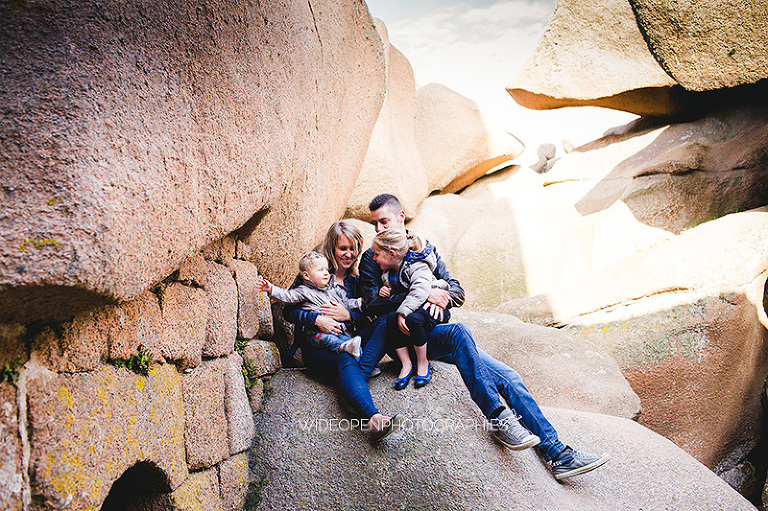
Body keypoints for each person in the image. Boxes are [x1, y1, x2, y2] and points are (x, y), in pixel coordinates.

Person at [358, 193, 610, 481]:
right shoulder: (372, 257)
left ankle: (559, 456)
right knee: (461, 332)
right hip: (404, 337)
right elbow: (371, 305)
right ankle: (499, 419)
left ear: (401, 217)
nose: (378, 229)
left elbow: (457, 291)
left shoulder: (424, 250)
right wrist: (420, 294)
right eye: (374, 224)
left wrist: (442, 295)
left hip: (435, 330)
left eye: (383, 221)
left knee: (510, 377)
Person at [281, 221, 402, 442]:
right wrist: (316, 319)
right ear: (332, 248)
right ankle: (373, 418)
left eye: (353, 248)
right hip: (319, 347)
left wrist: (349, 315)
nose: (348, 254)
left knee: (387, 321)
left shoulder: (358, 281)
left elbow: (367, 314)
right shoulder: (312, 273)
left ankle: (354, 387)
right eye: (342, 248)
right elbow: (288, 312)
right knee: (344, 357)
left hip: (350, 339)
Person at [371, 228, 450, 389]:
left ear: (392, 254)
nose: (374, 258)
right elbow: (400, 288)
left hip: (433, 308)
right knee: (391, 319)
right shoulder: (389, 271)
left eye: (377, 254)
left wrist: (403, 313)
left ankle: (423, 363)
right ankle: (406, 364)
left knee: (413, 319)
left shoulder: (417, 265)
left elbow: (420, 291)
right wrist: (385, 290)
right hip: (414, 306)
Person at [256, 251, 363, 358]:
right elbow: (287, 296)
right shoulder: (304, 291)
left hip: (337, 331)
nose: (326, 273)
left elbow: (346, 303)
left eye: (326, 269)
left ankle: (361, 363)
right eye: (320, 270)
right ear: (307, 276)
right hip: (315, 334)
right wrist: (271, 289)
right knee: (328, 339)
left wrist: (358, 302)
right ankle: (342, 348)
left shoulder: (334, 289)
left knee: (354, 344)